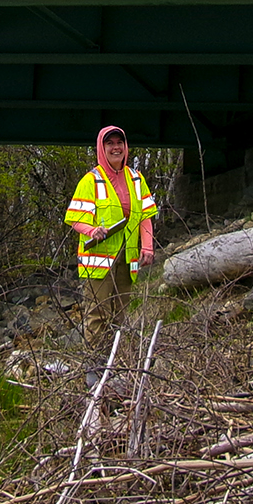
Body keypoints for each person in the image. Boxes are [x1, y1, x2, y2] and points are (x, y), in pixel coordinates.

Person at [64, 125, 158, 350]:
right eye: (110, 144)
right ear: (101, 148)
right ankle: (95, 367)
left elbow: (145, 216)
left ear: (126, 147)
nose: (116, 148)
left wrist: (147, 247)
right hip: (98, 261)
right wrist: (91, 230)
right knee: (98, 314)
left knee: (121, 313)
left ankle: (117, 364)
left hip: (127, 257)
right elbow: (74, 218)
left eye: (119, 143)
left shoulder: (136, 178)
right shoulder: (91, 180)